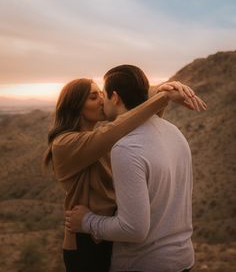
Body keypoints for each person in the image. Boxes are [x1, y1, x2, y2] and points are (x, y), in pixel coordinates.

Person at [44, 68, 206, 272]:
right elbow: (117, 129)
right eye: (94, 97)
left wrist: (159, 99)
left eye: (102, 95)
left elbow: (138, 131)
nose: (102, 101)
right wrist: (161, 98)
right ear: (75, 106)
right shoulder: (66, 144)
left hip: (109, 233)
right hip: (86, 241)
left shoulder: (110, 141)